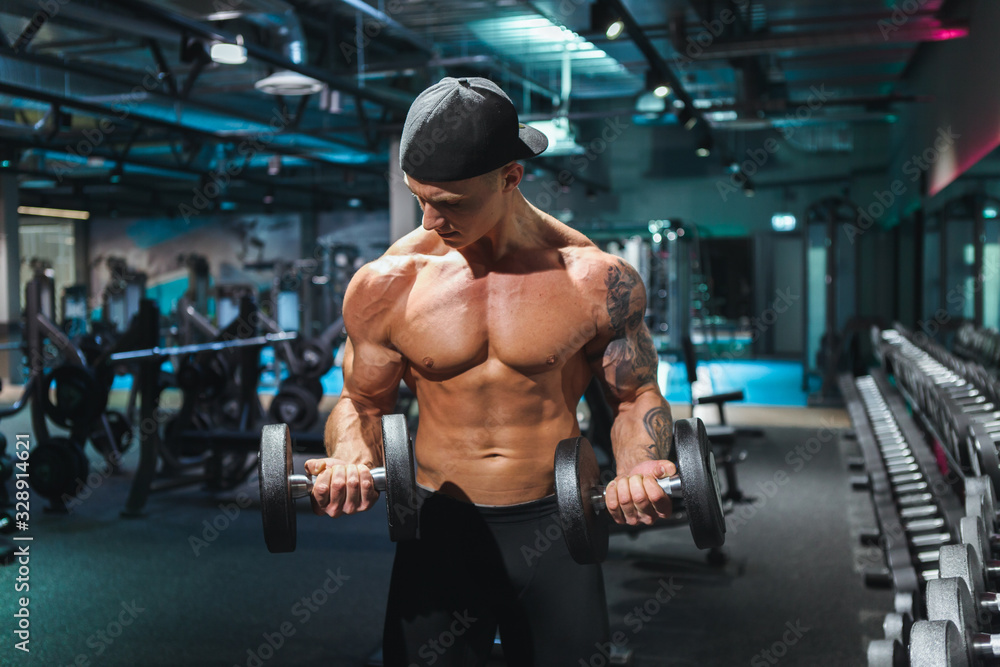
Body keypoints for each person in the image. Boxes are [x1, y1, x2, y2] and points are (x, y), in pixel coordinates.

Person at [306, 76, 675, 667]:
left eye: (450, 204)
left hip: (556, 526)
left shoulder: (593, 280)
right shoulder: (388, 284)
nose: (430, 221)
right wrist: (353, 456)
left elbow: (633, 397)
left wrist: (642, 466)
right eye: (418, 197)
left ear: (511, 178)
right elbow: (362, 403)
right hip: (438, 529)